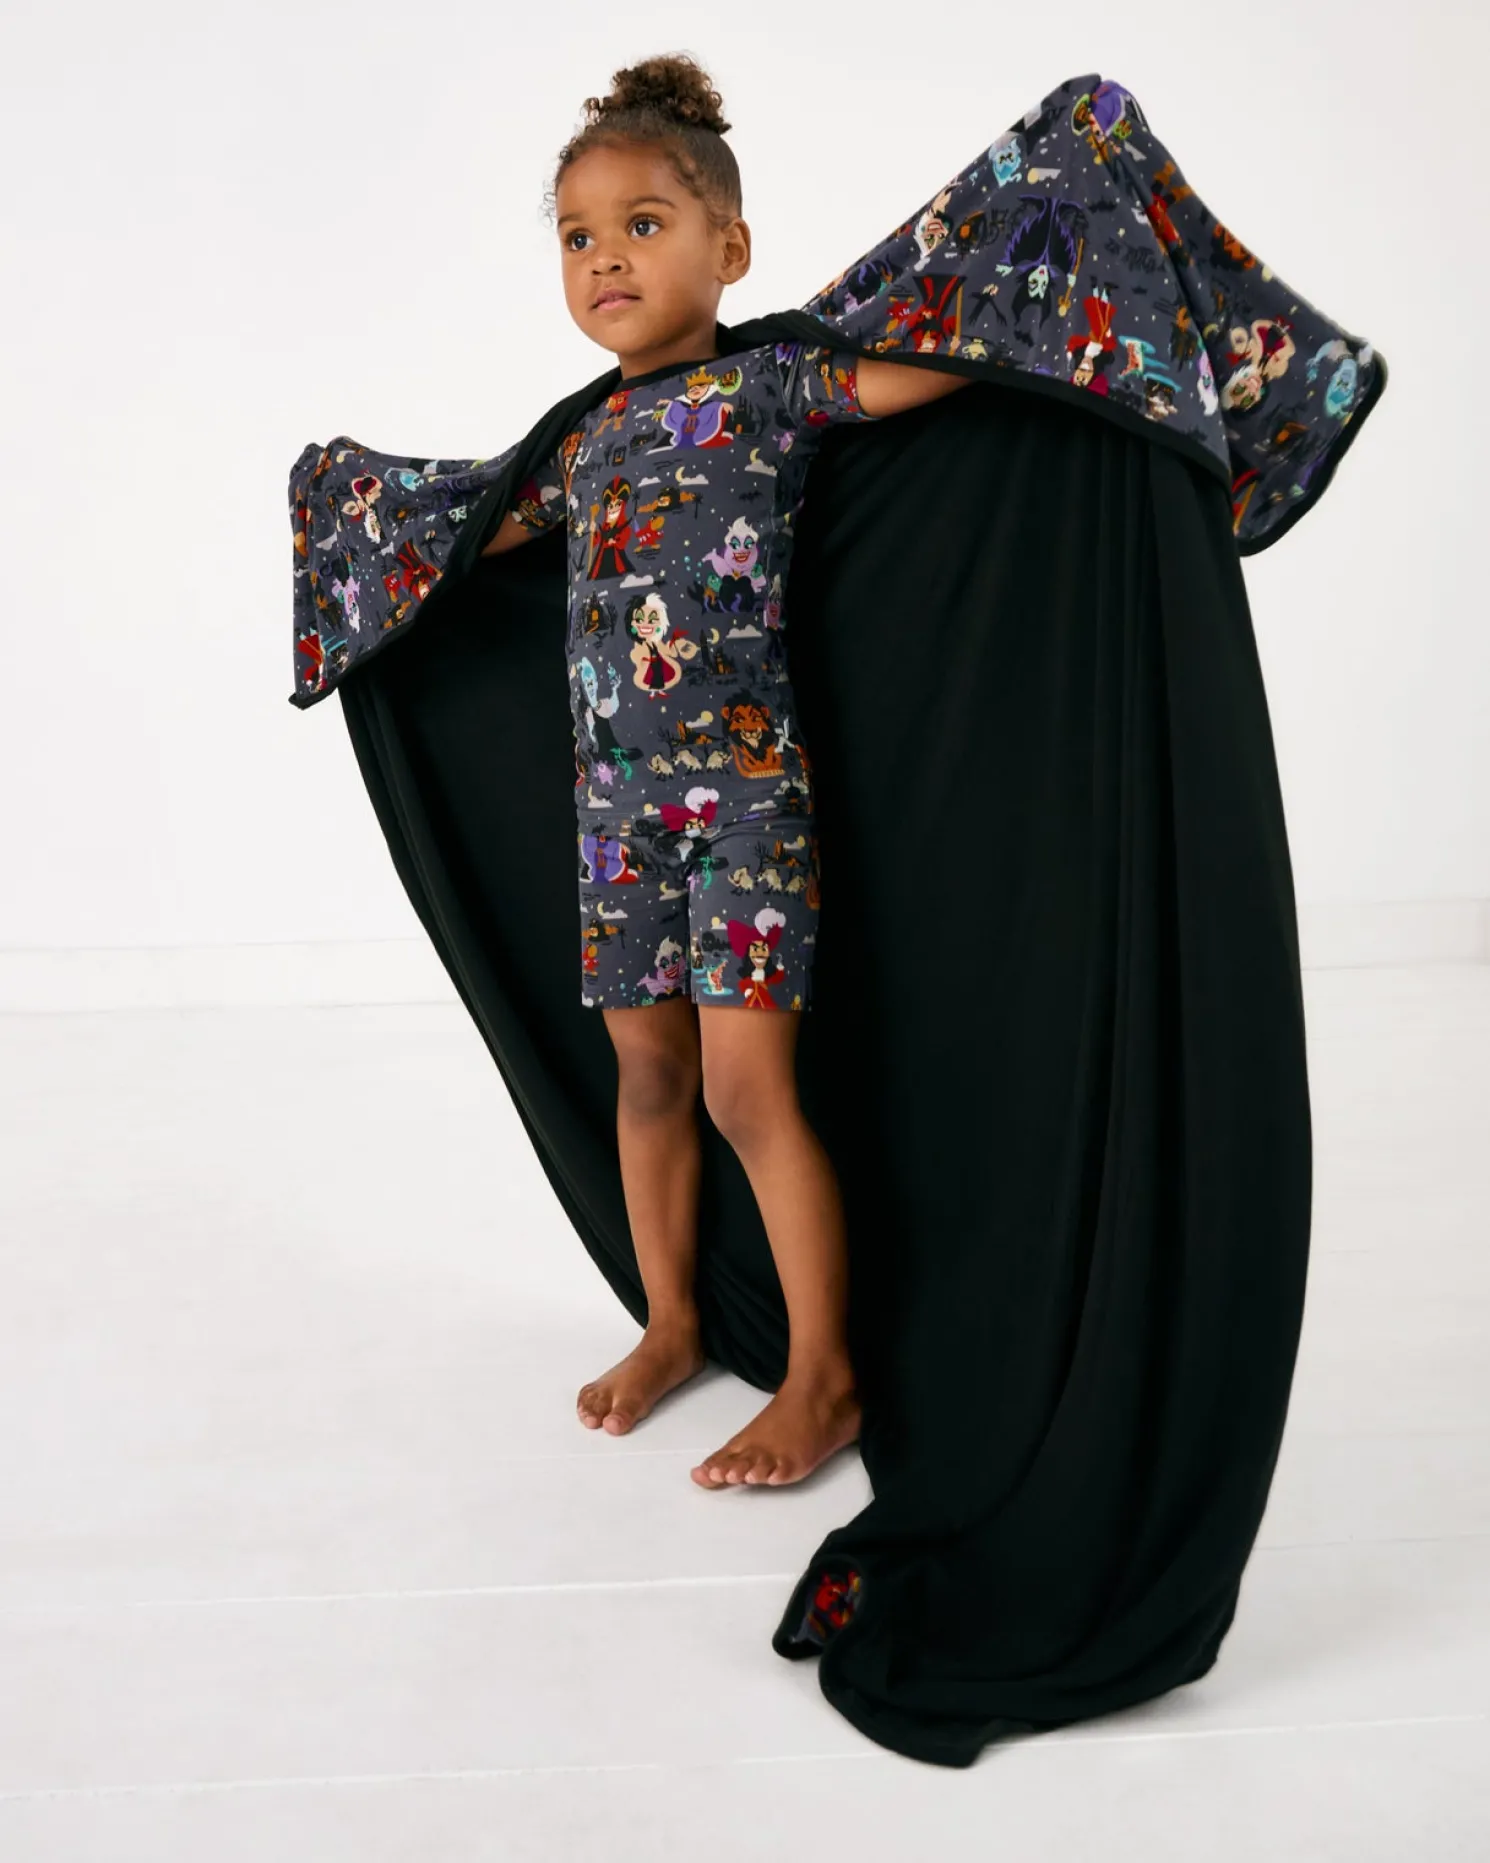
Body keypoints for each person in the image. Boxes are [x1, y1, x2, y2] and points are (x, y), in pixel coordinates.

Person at [481, 53, 969, 1492]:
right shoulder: (579, 443)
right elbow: (456, 543)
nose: (604, 258)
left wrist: (1035, 300)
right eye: (578, 236)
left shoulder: (772, 386)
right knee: (647, 1074)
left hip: (746, 806)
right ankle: (675, 1323)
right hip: (614, 820)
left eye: (642, 224)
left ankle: (822, 1376)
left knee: (749, 1092)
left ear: (729, 249)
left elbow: (944, 370)